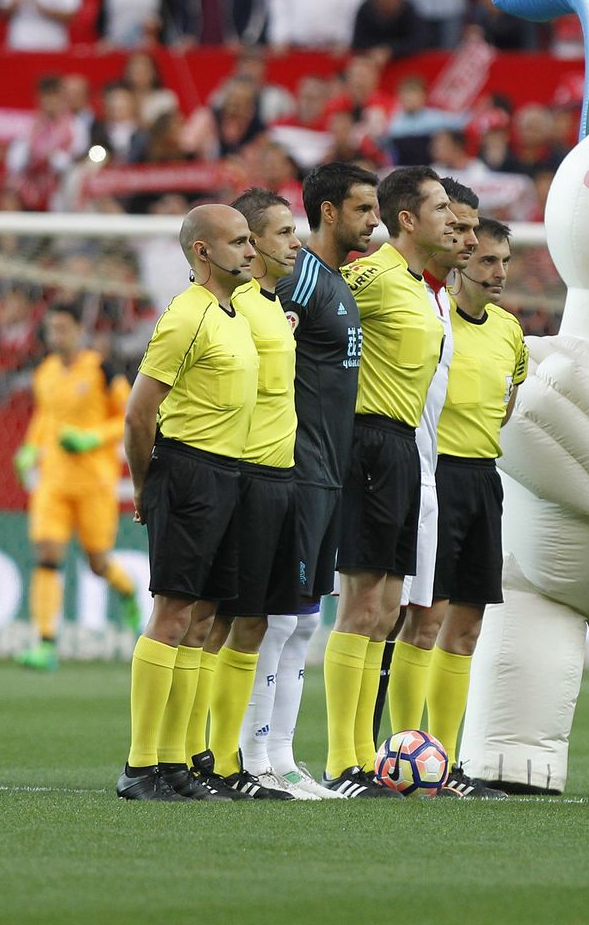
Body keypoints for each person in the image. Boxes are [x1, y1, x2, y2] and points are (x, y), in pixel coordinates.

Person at [240, 163, 378, 799]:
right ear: (330, 212)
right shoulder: (295, 281)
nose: (372, 221)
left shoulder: (335, 282)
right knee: (276, 621)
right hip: (294, 466)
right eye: (362, 209)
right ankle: (255, 758)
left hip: (326, 470)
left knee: (301, 623)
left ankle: (283, 759)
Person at [319, 165, 456, 798]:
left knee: (388, 609)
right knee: (361, 604)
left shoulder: (417, 285)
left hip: (403, 447)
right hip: (368, 440)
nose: (451, 220)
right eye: (440, 208)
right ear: (408, 219)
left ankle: (366, 756)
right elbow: (306, 299)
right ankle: (341, 759)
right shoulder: (371, 273)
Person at [117, 203, 259, 802]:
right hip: (190, 472)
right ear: (203, 252)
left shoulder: (234, 314)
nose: (251, 250)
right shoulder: (186, 316)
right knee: (174, 616)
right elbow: (138, 411)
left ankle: (175, 762)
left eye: (253, 239)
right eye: (239, 241)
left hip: (229, 474)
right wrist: (150, 484)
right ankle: (140, 766)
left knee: (204, 621)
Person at [170, 190, 307, 801]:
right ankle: (209, 758)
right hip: (241, 473)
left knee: (247, 623)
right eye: (272, 234)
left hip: (280, 473)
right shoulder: (234, 305)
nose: (286, 244)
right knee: (216, 621)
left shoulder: (271, 306)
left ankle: (224, 758)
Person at [400, 216, 525, 797]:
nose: (498, 272)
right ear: (460, 264)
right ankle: (401, 752)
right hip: (436, 474)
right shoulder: (434, 318)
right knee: (424, 620)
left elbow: (506, 404)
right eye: (487, 260)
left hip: (483, 478)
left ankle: (442, 763)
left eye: (504, 261)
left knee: (467, 627)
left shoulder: (509, 332)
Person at [378, 178, 475, 753]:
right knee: (377, 615)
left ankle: (408, 752)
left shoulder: (436, 299)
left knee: (421, 617)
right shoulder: (381, 280)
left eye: (467, 227)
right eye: (453, 222)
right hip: (387, 464)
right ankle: (358, 754)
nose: (463, 237)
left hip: (432, 476)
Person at [13, 303, 141, 671]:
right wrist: (29, 447)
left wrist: (90, 438)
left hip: (94, 482)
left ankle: (128, 592)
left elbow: (129, 415)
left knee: (98, 562)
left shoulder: (102, 368)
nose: (57, 335)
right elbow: (44, 417)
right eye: (51, 328)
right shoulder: (46, 373)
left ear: (78, 330)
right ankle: (45, 643)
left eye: (63, 328)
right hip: (53, 480)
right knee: (47, 554)